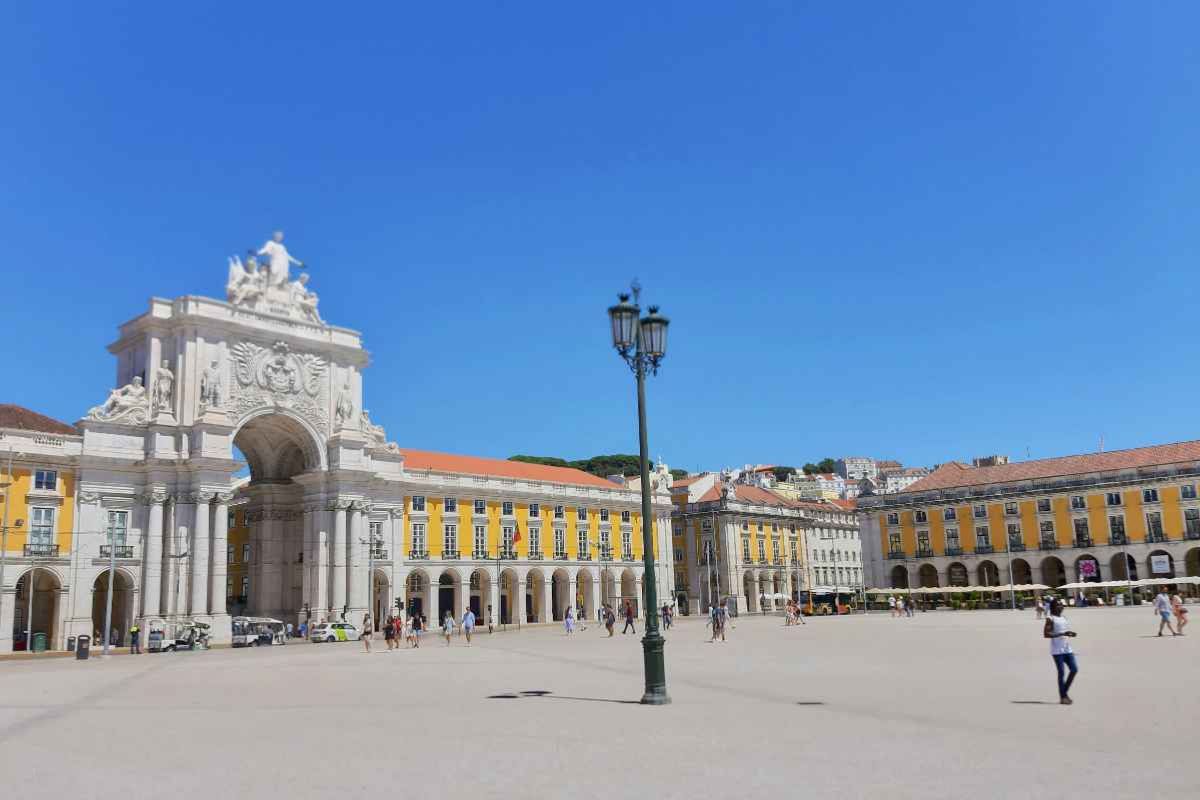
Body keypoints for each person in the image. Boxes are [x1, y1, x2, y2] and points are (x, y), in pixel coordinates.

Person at [1043, 599, 1079, 705]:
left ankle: (1064, 693)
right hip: (1057, 651)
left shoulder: (1064, 618)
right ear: (1053, 607)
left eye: (1061, 605)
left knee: (1074, 669)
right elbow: (1046, 634)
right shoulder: (1050, 619)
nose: (1061, 607)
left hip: (1067, 649)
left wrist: (1070, 633)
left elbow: (1064, 631)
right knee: (1061, 672)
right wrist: (1062, 634)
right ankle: (1063, 697)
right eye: (1058, 605)